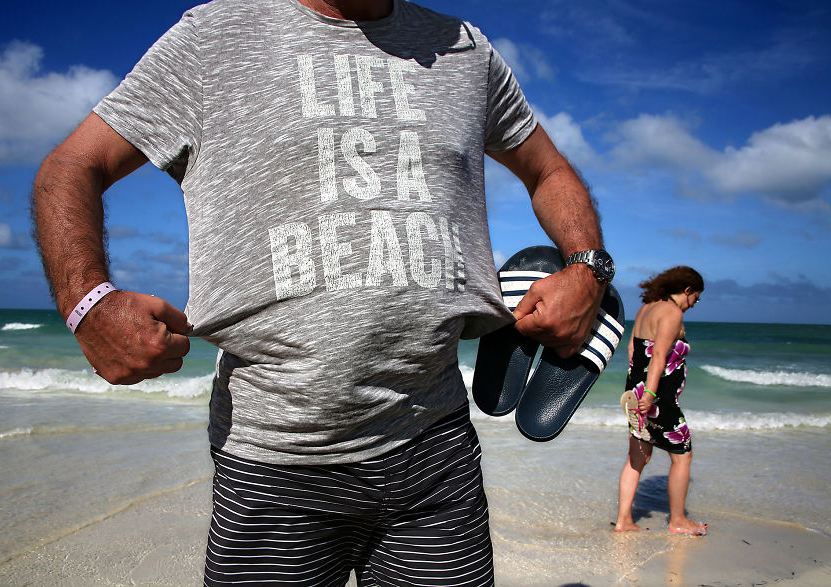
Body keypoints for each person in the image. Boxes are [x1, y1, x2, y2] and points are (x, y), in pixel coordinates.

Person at [33, 0, 612, 584]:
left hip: (436, 452)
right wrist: (89, 304)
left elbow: (550, 171)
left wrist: (587, 267)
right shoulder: (216, 36)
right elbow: (71, 166)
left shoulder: (466, 49)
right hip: (272, 465)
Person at [615, 266, 706, 536]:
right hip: (656, 399)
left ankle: (624, 520)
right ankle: (678, 520)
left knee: (637, 458)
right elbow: (659, 356)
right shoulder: (671, 312)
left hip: (637, 391)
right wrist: (651, 395)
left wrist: (640, 390)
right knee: (683, 456)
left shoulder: (646, 309)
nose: (693, 305)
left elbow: (634, 349)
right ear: (687, 290)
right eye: (696, 298)